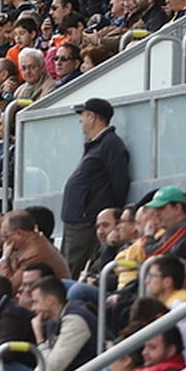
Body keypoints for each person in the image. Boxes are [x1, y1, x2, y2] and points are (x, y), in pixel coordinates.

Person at [60, 98, 130, 277]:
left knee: (73, 270)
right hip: (77, 218)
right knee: (67, 268)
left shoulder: (111, 144)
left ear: (92, 117)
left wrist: (109, 213)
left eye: (83, 115)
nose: (80, 120)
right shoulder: (96, 144)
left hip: (86, 220)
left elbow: (120, 182)